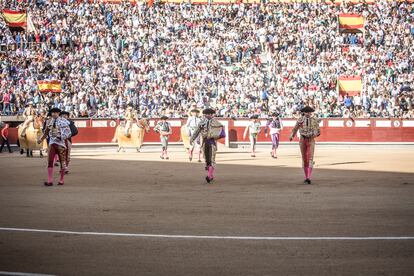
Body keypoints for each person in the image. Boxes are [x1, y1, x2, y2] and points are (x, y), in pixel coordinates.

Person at [37, 108, 71, 186]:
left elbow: (69, 133)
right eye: (52, 113)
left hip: (61, 144)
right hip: (52, 144)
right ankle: (50, 180)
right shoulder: (49, 121)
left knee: (62, 162)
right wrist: (41, 139)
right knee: (50, 161)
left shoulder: (64, 121)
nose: (54, 114)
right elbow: (46, 132)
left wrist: (61, 137)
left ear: (59, 113)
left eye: (55, 112)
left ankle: (61, 179)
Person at [190, 108, 225, 183]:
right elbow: (196, 131)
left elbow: (221, 133)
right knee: (207, 159)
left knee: (212, 159)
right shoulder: (201, 122)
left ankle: (209, 175)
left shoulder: (217, 123)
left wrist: (215, 136)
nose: (207, 115)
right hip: (205, 142)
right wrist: (192, 139)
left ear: (212, 114)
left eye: (209, 114)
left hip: (212, 142)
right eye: (206, 114)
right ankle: (211, 175)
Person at [289, 106, 320, 185]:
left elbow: (318, 132)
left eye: (309, 112)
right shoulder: (300, 120)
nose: (308, 113)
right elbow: (295, 128)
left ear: (311, 113)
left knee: (310, 158)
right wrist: (292, 135)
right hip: (302, 140)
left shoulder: (315, 120)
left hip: (311, 140)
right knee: (304, 159)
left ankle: (308, 178)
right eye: (306, 112)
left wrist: (313, 134)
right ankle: (306, 176)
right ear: (304, 112)